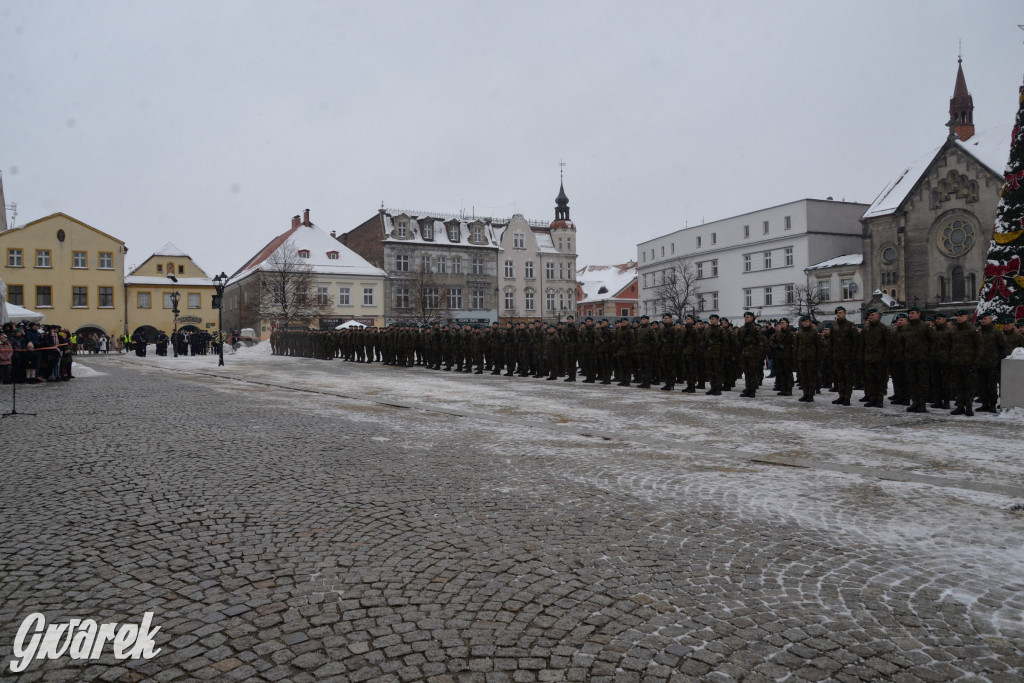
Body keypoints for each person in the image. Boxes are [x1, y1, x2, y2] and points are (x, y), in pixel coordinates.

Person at [948, 310, 980, 416]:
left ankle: (969, 407)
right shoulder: (953, 331)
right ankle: (960, 406)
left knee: (969, 386)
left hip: (969, 363)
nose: (959, 318)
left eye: (961, 316)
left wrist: (976, 362)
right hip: (956, 363)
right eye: (957, 316)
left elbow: (980, 346)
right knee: (959, 386)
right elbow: (949, 346)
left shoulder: (972, 330)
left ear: (967, 317)